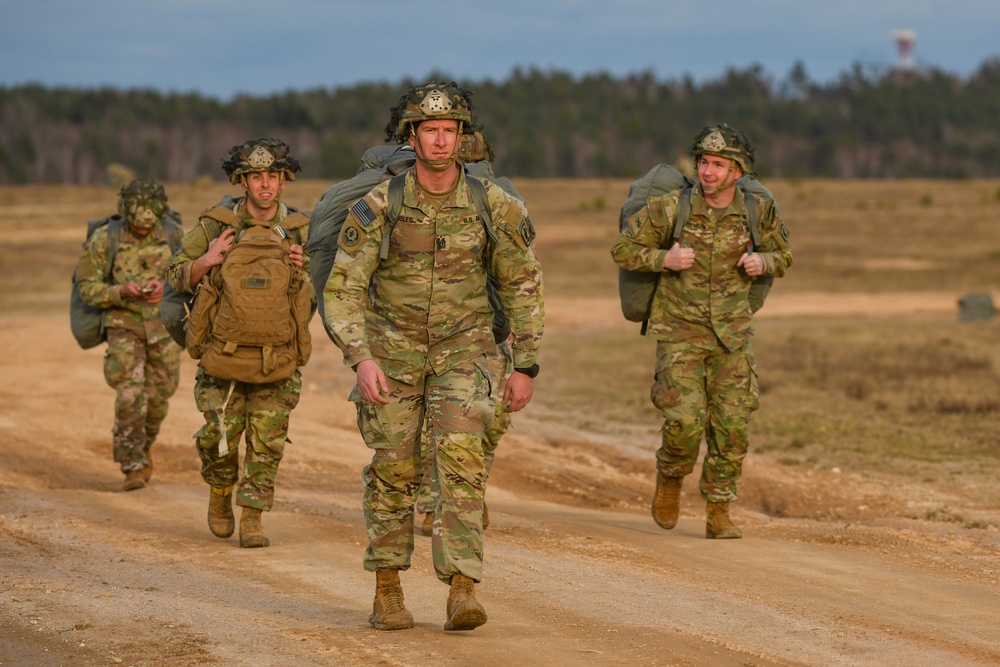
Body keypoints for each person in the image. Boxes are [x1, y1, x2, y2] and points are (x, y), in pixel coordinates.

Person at [323, 81, 544, 632]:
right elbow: (344, 287)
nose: (441, 141)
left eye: (450, 131)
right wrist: (361, 357)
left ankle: (463, 587)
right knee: (394, 471)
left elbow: (522, 285)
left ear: (462, 138)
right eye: (430, 131)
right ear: (413, 137)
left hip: (466, 353)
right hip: (391, 358)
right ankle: (388, 589)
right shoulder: (380, 204)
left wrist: (525, 363)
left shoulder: (494, 204)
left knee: (462, 468)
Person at [611, 124, 792, 539]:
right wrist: (664, 259)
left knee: (732, 429)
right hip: (680, 333)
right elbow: (622, 249)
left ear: (738, 171)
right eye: (704, 163)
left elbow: (784, 254)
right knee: (684, 424)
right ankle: (671, 478)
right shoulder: (671, 208)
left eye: (719, 165)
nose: (708, 172)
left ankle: (719, 509)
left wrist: (764, 264)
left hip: (732, 335)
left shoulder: (756, 211)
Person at [167, 138, 313, 549]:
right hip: (222, 353)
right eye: (256, 176)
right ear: (242, 181)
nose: (265, 184)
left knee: (267, 442)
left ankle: (252, 515)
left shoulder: (301, 227)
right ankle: (219, 492)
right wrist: (206, 261)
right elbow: (174, 275)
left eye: (273, 176)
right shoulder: (216, 224)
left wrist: (306, 272)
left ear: (284, 181)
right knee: (218, 436)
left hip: (276, 354)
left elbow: (322, 293)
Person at [75, 179, 182, 492]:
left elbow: (190, 273)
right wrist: (121, 291)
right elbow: (87, 288)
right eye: (137, 222)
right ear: (126, 213)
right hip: (124, 324)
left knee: (159, 397)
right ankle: (132, 464)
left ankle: (144, 444)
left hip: (163, 325)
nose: (143, 227)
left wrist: (169, 286)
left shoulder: (175, 233)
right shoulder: (104, 239)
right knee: (129, 395)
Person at [416, 337, 512, 536]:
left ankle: (472, 491)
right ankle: (435, 507)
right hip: (446, 338)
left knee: (492, 422)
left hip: (494, 340)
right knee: (441, 425)